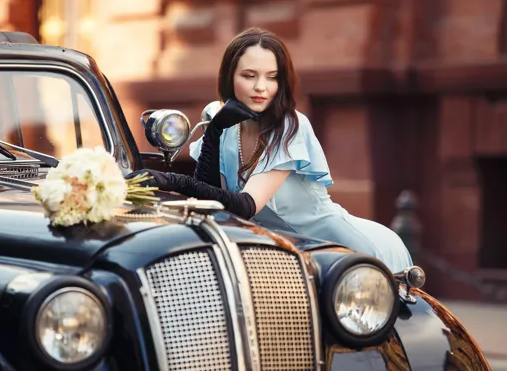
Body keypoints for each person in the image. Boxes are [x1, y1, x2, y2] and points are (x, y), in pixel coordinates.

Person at [127, 27, 413, 273]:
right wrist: (214, 131)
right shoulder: (217, 114)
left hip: (340, 249)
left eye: (272, 77)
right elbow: (208, 196)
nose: (261, 87)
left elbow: (246, 205)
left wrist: (168, 180)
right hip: (279, 251)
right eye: (249, 76)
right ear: (230, 78)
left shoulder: (291, 127)